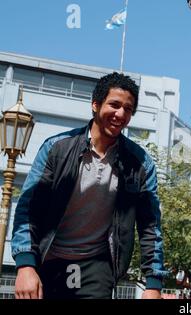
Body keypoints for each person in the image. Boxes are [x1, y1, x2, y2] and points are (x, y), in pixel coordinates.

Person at [11, 72, 167, 299]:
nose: (120, 114)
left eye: (128, 109)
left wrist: (153, 284)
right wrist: (25, 264)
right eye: (114, 105)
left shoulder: (140, 164)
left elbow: (150, 226)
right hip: (47, 258)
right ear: (95, 104)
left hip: (97, 267)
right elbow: (28, 209)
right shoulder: (57, 149)